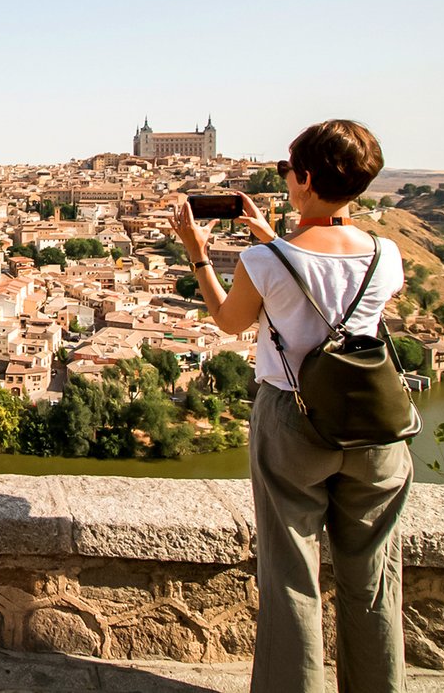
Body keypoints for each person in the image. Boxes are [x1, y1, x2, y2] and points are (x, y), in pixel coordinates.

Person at [171, 119, 409, 693]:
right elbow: (342, 294)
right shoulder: (388, 253)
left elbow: (230, 323)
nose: (284, 177)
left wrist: (200, 256)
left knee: (292, 574)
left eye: (286, 169)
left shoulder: (267, 261)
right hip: (375, 425)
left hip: (294, 420)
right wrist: (276, 237)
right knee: (375, 577)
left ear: (302, 178)